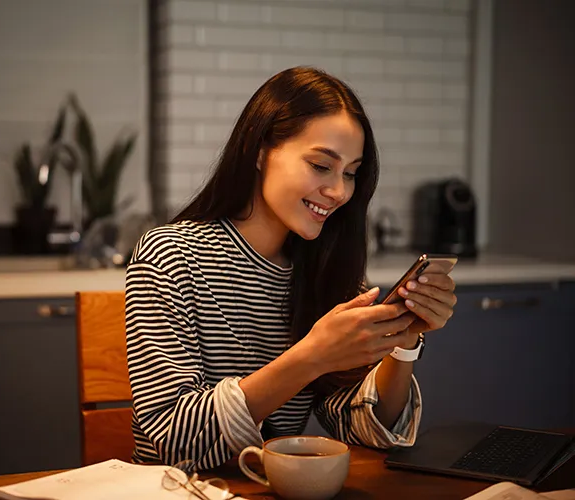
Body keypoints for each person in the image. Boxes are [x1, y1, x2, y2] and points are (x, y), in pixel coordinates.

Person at [125, 66, 457, 470]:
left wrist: (402, 342)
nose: (338, 191)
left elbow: (362, 427)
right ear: (260, 150)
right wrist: (311, 357)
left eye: (350, 173)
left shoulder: (328, 270)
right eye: (321, 166)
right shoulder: (171, 255)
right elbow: (174, 440)